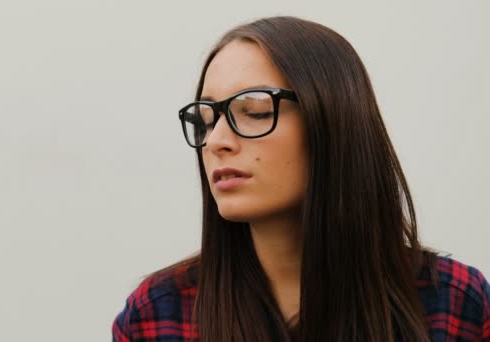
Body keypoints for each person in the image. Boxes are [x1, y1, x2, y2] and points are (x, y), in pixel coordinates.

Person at [111, 16, 490, 341]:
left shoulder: (454, 305)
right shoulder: (159, 318)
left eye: (255, 111)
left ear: (333, 123)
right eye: (207, 120)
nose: (217, 141)